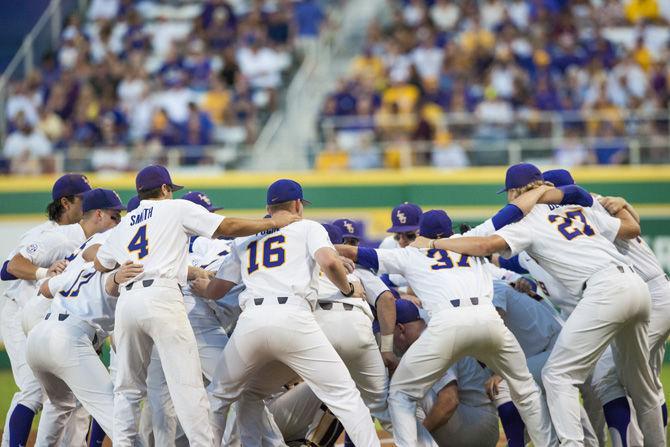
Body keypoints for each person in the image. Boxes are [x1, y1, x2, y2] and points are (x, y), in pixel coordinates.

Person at [414, 163, 665, 446]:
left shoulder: (526, 220)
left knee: (557, 376)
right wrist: (624, 204)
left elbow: (485, 246)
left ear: (515, 191)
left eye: (509, 193)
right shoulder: (579, 208)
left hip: (604, 290)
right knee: (643, 388)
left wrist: (437, 246)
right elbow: (631, 228)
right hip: (635, 286)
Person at [93, 166, 299, 446]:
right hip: (162, 297)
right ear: (165, 189)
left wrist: (117, 272)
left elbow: (100, 262)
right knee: (187, 388)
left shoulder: (126, 224)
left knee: (127, 390)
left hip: (128, 301)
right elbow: (227, 227)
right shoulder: (175, 208)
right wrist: (271, 223)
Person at [338, 209, 556, 446]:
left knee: (401, 395)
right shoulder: (470, 240)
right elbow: (507, 214)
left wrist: (321, 247)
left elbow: (353, 252)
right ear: (450, 231)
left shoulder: (412, 254)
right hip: (488, 318)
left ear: (421, 233)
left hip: (447, 323)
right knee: (525, 388)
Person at [202, 179, 381, 447]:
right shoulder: (308, 227)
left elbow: (215, 290)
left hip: (251, 321)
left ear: (268, 207)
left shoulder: (247, 239)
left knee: (226, 396)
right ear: (298, 205)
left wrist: (197, 281)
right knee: (345, 397)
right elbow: (329, 262)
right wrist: (346, 289)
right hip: (292, 317)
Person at [25, 190, 134, 443]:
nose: (118, 222)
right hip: (69, 338)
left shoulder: (76, 257)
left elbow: (45, 288)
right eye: (114, 216)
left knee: (60, 405)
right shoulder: (111, 244)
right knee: (119, 420)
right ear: (98, 214)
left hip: (39, 337)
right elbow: (97, 254)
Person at [392, 299, 500, 447]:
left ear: (400, 328)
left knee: (403, 389)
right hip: (479, 421)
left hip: (474, 424)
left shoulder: (428, 343)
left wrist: (416, 440)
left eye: (389, 332)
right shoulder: (431, 333)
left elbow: (449, 400)